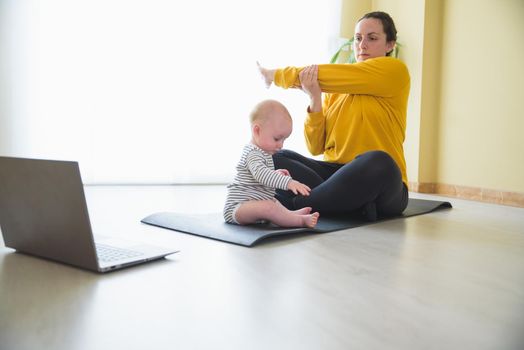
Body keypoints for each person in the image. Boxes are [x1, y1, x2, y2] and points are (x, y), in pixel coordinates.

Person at [257, 11, 410, 221]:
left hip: (380, 184)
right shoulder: (336, 89)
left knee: (378, 161)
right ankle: (345, 204)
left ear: (390, 44)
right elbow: (315, 147)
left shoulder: (395, 72)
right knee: (271, 157)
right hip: (334, 176)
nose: (362, 45)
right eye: (358, 38)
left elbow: (322, 73)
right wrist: (315, 98)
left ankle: (297, 205)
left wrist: (275, 75)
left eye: (372, 38)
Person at [223, 99, 320, 228]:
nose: (281, 145)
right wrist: (288, 182)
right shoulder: (253, 153)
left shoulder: (264, 153)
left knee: (273, 201)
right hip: (237, 208)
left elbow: (259, 177)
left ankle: (291, 214)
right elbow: (261, 174)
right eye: (276, 139)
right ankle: (299, 221)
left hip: (253, 203)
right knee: (269, 206)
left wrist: (275, 174)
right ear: (257, 131)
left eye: (284, 140)